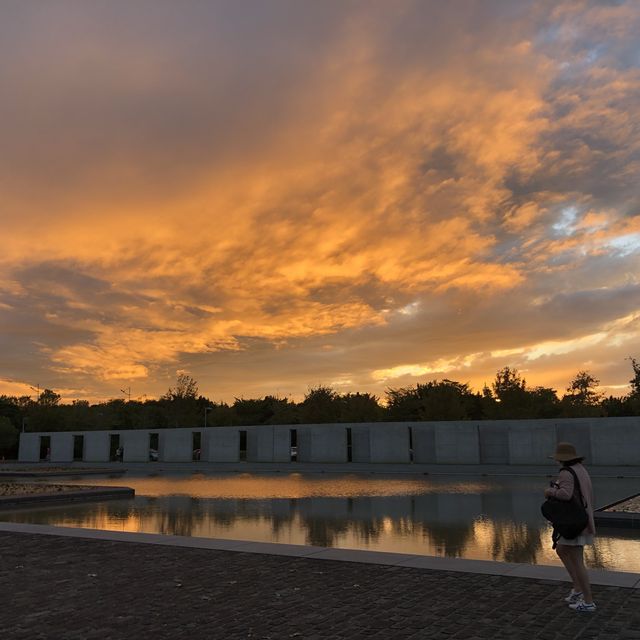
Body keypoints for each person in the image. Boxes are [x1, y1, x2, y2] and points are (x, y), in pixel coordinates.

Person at [544, 442, 596, 612]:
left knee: (577, 559)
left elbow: (565, 495)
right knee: (561, 549)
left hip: (574, 523)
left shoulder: (566, 472)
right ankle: (578, 589)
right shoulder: (580, 469)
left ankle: (588, 601)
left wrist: (550, 492)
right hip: (582, 519)